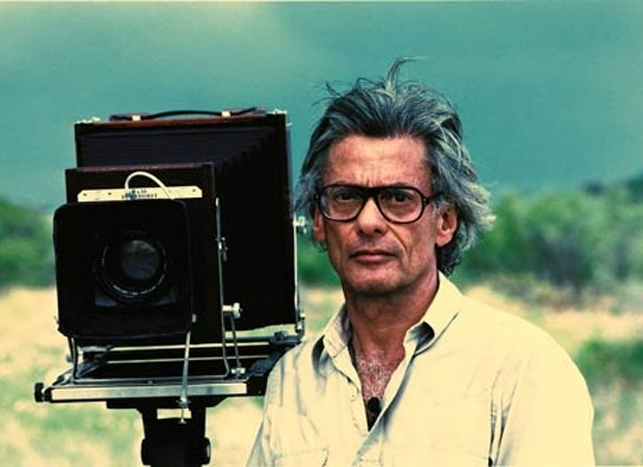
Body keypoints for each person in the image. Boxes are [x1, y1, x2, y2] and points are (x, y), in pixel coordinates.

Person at [247, 60, 595, 466]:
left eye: (399, 198)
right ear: (319, 221)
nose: (369, 222)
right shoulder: (293, 379)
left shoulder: (523, 369)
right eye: (346, 197)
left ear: (445, 221)